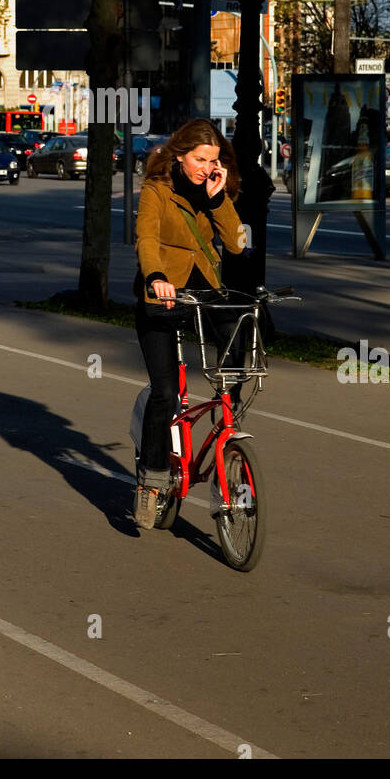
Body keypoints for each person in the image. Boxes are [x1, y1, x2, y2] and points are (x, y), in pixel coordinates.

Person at [132, 119, 247, 529]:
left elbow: (236, 243)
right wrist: (155, 277)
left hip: (203, 291)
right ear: (180, 155)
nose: (207, 167)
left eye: (214, 160)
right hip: (161, 295)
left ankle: (228, 429)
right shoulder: (156, 190)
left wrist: (218, 201)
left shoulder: (215, 189)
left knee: (240, 328)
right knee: (165, 393)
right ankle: (152, 480)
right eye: (200, 159)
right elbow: (146, 239)